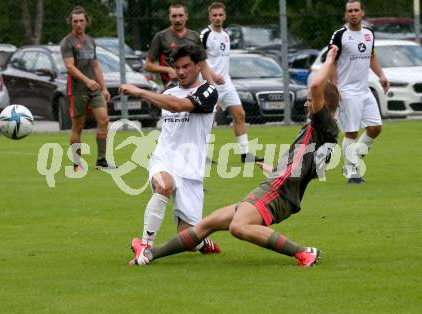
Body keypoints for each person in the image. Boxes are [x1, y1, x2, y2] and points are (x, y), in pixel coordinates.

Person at [129, 45, 341, 268]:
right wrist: (277, 169)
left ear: (323, 105)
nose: (307, 102)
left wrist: (331, 57)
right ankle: (149, 255)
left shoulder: (323, 124)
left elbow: (318, 85)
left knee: (239, 227)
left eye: (310, 99)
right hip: (279, 186)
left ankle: (303, 253)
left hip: (278, 190)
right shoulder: (323, 131)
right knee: (207, 224)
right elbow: (308, 166)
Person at [120, 44, 220, 253]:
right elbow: (171, 104)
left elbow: (179, 106)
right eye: (177, 67)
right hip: (164, 159)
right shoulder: (169, 92)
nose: (181, 72)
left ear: (199, 65)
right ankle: (145, 246)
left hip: (191, 169)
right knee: (164, 185)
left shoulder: (208, 91)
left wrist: (139, 91)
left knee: (187, 239)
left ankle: (202, 242)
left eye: (186, 66)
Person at [329, 0, 389, 184]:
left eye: (356, 10)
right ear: (345, 14)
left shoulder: (369, 34)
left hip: (364, 90)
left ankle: (352, 159)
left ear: (363, 13)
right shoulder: (340, 35)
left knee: (375, 128)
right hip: (347, 92)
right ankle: (352, 172)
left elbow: (372, 57)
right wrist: (335, 88)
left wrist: (381, 75)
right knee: (351, 132)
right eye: (350, 11)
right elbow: (331, 62)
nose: (353, 13)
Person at [200, 2, 264, 163]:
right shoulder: (205, 35)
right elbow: (199, 60)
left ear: (225, 16)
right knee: (208, 120)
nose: (217, 18)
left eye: (220, 15)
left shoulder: (226, 35)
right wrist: (213, 76)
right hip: (209, 84)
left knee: (240, 114)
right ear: (210, 17)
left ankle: (245, 154)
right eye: (214, 15)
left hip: (226, 83)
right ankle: (203, 155)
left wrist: (222, 77)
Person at [60, 6, 115, 171]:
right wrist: (87, 81)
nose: (78, 24)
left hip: (94, 89)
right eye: (75, 21)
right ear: (71, 22)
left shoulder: (91, 41)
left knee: (104, 120)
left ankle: (101, 161)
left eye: (81, 21)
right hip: (77, 90)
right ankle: (76, 163)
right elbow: (70, 67)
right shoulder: (67, 42)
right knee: (78, 126)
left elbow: (96, 65)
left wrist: (104, 88)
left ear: (86, 22)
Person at [145, 3, 213, 88]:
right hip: (172, 85)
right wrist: (169, 70)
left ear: (186, 16)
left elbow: (203, 65)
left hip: (193, 85)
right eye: (174, 16)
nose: (177, 19)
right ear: (169, 17)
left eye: (181, 15)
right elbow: (148, 65)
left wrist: (212, 87)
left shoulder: (194, 36)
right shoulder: (161, 36)